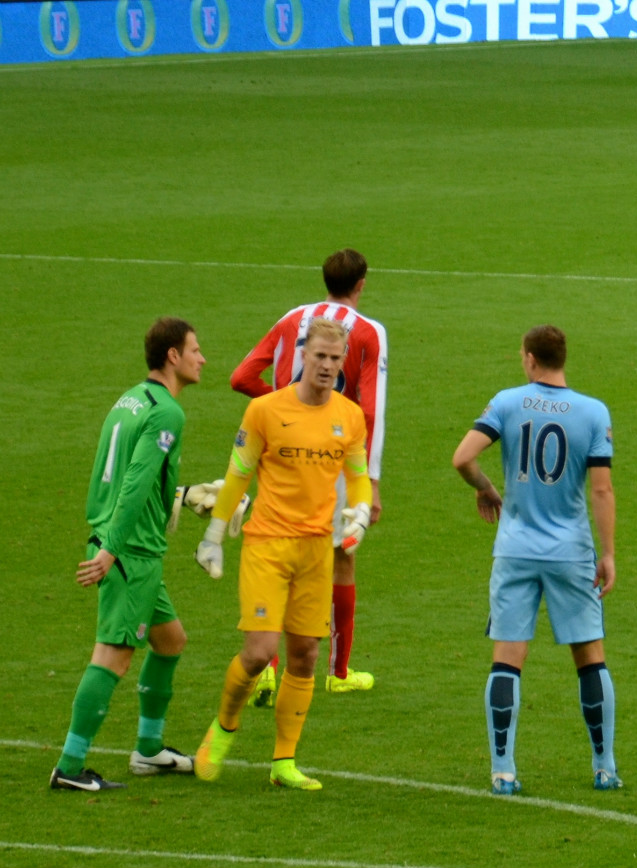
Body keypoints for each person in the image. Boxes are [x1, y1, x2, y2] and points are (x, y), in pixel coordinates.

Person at [192, 318, 370, 792]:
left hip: (317, 550)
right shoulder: (266, 411)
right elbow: (237, 475)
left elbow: (357, 475)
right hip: (267, 545)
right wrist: (213, 536)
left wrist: (360, 512)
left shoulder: (349, 416)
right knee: (259, 653)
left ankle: (283, 762)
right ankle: (223, 729)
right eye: (320, 357)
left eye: (336, 359)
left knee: (307, 654)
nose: (328, 366)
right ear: (302, 355)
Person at [448, 326, 619, 795]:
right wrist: (607, 553)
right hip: (570, 552)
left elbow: (462, 457)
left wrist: (485, 488)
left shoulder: (506, 402)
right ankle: (604, 766)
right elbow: (601, 488)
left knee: (507, 659)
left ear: (528, 359)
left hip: (515, 548)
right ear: (563, 358)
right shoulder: (593, 412)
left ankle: (503, 770)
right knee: (590, 656)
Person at [50, 318, 207, 792]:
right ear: (173, 356)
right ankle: (70, 767)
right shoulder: (168, 414)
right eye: (195, 350)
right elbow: (136, 481)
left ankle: (149, 750)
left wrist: (176, 495)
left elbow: (115, 473)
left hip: (125, 541)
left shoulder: (129, 399)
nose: (203, 358)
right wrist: (112, 550)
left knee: (171, 640)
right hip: (129, 552)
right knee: (114, 656)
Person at [228, 251, 388, 697]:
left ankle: (266, 666)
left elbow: (241, 377)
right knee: (340, 556)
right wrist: (371, 484)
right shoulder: (370, 332)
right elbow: (371, 408)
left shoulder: (291, 318)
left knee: (277, 548)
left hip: (280, 454)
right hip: (332, 455)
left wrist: (279, 408)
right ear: (362, 283)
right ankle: (338, 674)